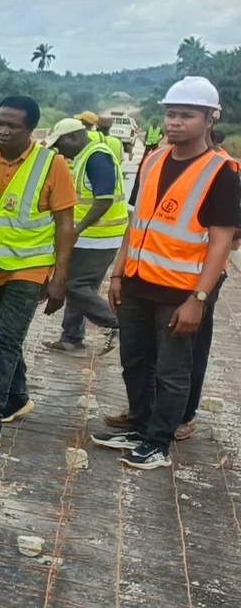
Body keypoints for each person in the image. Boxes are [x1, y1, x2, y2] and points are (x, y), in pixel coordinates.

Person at [91, 77, 237, 470]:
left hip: (180, 291)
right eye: (171, 113)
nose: (175, 122)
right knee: (135, 361)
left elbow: (220, 244)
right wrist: (117, 275)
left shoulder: (221, 173)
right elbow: (136, 222)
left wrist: (198, 299)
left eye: (186, 115)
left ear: (210, 119)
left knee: (172, 371)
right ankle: (139, 427)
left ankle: (158, 443)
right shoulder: (153, 159)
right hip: (138, 283)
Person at [0, 95, 75, 449]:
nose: (2, 131)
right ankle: (18, 397)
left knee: (6, 341)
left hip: (31, 268)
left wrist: (60, 277)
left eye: (12, 126)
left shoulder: (52, 165)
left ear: (31, 130)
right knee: (4, 336)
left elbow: (65, 224)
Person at [43, 118, 125, 353]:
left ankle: (116, 324)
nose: (60, 151)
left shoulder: (97, 156)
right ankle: (71, 336)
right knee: (81, 285)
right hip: (92, 235)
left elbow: (104, 200)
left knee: (73, 285)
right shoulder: (85, 155)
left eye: (61, 144)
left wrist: (77, 230)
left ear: (74, 137)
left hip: (99, 236)